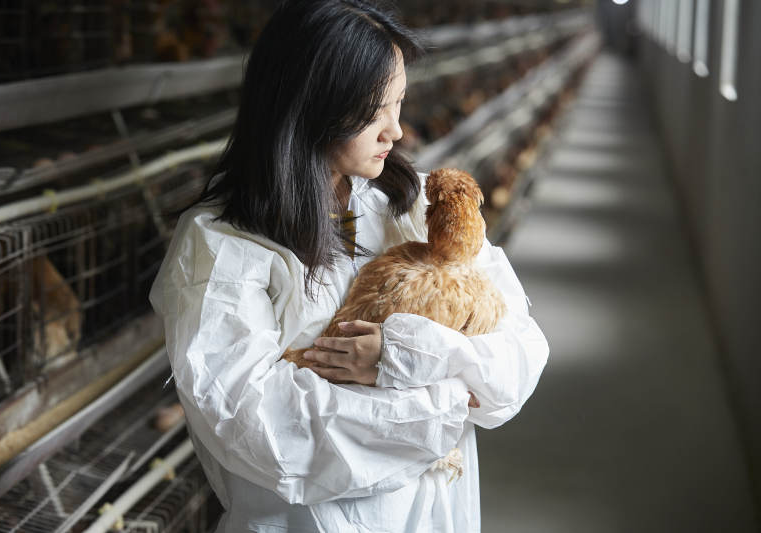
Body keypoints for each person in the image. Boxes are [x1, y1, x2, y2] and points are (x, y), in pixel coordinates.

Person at [149, 0, 549, 531]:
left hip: (436, 511)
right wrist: (453, 397)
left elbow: (520, 345)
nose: (397, 131)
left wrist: (413, 359)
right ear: (310, 106)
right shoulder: (221, 247)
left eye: (399, 104)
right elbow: (262, 428)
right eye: (373, 111)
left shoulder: (407, 203)